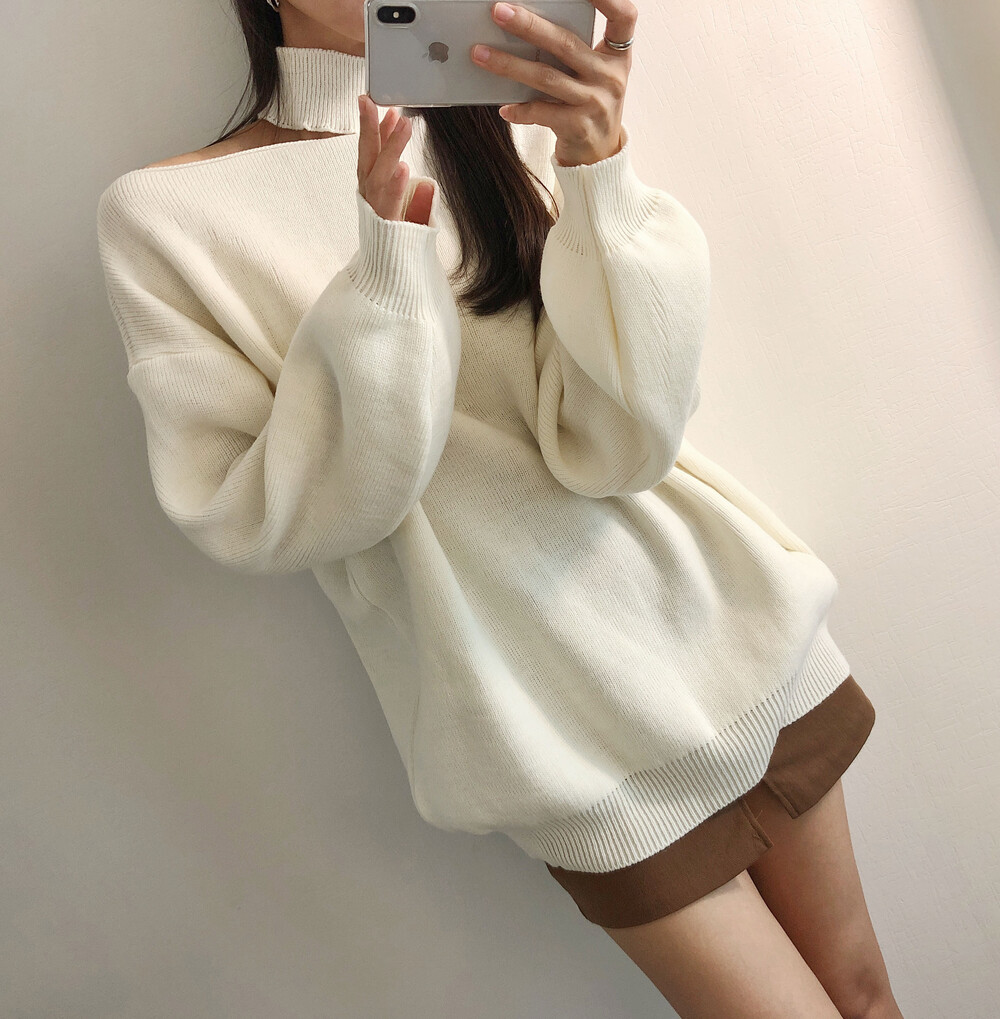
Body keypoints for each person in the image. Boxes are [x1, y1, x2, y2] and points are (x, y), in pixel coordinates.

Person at [95, 1, 903, 1014]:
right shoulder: (167, 215)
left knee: (863, 990)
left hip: (723, 623)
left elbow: (620, 441)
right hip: (554, 733)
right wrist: (385, 275)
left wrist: (601, 171)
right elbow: (267, 514)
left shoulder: (503, 111)